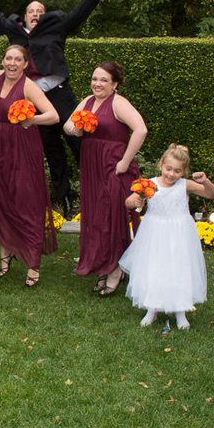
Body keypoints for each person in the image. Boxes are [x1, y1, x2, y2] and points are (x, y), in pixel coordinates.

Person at [0, 0, 119, 218]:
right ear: (25, 16)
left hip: (60, 96)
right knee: (52, 150)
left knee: (79, 143)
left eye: (39, 11)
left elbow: (79, 14)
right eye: (31, 10)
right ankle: (65, 197)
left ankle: (99, 192)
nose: (35, 13)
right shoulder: (15, 32)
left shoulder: (55, 29)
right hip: (33, 101)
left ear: (44, 17)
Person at [0, 45, 59, 288]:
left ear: (25, 64)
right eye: (8, 58)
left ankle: (33, 263)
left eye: (18, 60)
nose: (12, 63)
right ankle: (6, 252)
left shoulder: (28, 86)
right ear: (3, 60)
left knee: (26, 201)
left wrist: (30, 119)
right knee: (1, 198)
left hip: (22, 147)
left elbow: (53, 115)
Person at [64, 61, 147, 296]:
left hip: (114, 166)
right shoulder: (88, 102)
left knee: (114, 216)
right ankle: (104, 263)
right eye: (94, 79)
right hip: (92, 166)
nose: (97, 83)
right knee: (98, 216)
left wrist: (124, 161)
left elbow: (141, 130)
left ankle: (116, 269)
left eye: (103, 80)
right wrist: (77, 128)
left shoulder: (119, 103)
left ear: (115, 84)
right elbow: (68, 124)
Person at [119, 144, 214, 330]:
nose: (171, 174)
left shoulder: (185, 185)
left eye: (177, 171)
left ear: (184, 171)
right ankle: (152, 308)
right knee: (154, 268)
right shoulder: (149, 184)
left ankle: (180, 311)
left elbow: (211, 194)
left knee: (178, 269)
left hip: (179, 233)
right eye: (168, 169)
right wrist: (135, 200)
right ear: (161, 165)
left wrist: (205, 181)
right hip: (154, 233)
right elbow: (128, 202)